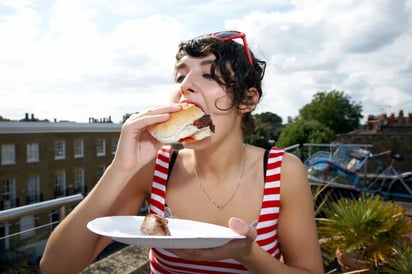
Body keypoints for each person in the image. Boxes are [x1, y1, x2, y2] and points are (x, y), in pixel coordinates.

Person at [40, 30, 324, 274]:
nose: (185, 85)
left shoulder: (283, 171)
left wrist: (249, 255)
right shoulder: (155, 168)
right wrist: (120, 169)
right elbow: (54, 267)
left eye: (209, 74)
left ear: (247, 99)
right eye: (180, 76)